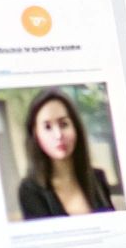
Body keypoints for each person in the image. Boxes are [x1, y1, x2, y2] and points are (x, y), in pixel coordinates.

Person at [16, 89, 118, 219]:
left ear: (76, 128)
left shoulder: (98, 179)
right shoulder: (30, 191)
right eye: (47, 127)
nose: (58, 135)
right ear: (35, 135)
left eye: (64, 124)